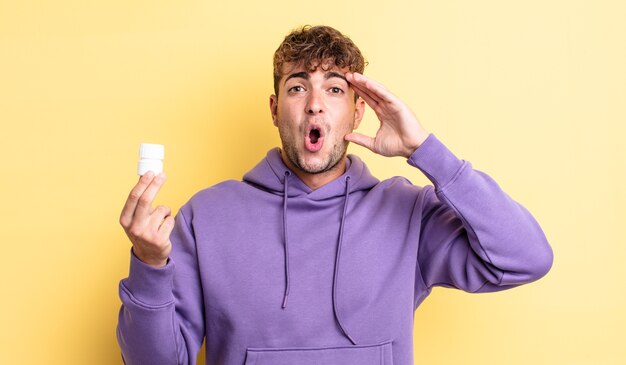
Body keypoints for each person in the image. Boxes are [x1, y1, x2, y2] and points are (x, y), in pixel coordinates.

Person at [117, 25, 553, 365]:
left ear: (358, 111)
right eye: (297, 87)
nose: (315, 104)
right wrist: (150, 266)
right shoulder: (206, 217)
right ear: (275, 110)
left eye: (334, 88)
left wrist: (426, 151)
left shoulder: (408, 212)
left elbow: (526, 258)